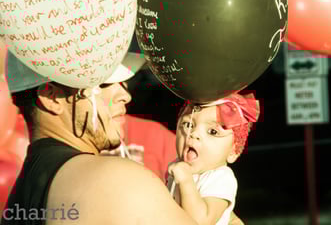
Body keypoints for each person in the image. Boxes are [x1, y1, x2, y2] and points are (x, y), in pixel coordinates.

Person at [1, 52, 198, 225]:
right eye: (104, 83)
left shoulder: (18, 199)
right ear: (51, 97)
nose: (125, 96)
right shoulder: (117, 180)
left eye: (123, 83)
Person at [168, 93, 260, 225]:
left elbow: (202, 221)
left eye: (212, 131)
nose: (194, 134)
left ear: (233, 151)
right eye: (188, 125)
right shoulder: (177, 166)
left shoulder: (221, 177)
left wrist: (185, 180)